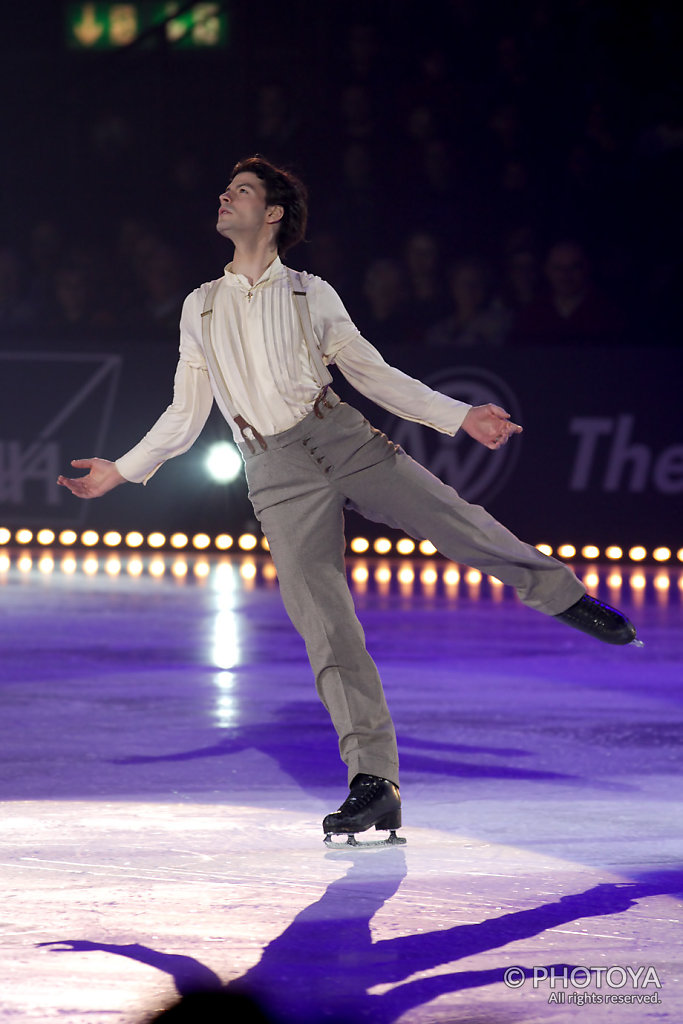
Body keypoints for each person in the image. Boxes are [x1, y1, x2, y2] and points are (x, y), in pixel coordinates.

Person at [57, 157, 639, 846]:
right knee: (324, 624)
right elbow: (185, 413)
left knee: (453, 520)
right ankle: (374, 782)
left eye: (239, 191)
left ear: (271, 214)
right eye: (225, 189)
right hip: (272, 469)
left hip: (340, 438)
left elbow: (372, 373)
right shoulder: (200, 305)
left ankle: (562, 596)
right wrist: (121, 471)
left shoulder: (310, 293)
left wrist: (459, 417)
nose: (223, 196)